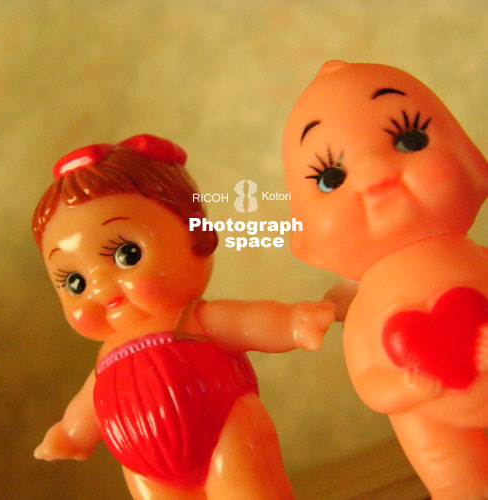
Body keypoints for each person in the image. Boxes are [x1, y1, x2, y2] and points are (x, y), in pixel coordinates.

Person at [33, 133, 334, 500]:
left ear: (195, 234)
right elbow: (88, 404)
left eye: (127, 254)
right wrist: (71, 433)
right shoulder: (105, 360)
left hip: (225, 431)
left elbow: (247, 322)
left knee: (246, 489)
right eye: (74, 282)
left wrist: (293, 323)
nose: (99, 288)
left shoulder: (195, 319)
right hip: (142, 463)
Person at [282, 60, 488, 500]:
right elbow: (370, 382)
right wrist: (403, 386)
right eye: (331, 177)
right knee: (459, 482)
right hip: (430, 422)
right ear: (304, 233)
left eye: (409, 139)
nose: (375, 172)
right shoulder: (364, 310)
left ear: (469, 156)